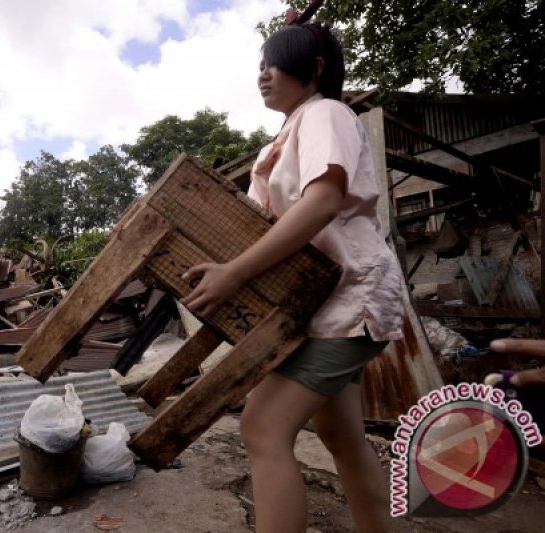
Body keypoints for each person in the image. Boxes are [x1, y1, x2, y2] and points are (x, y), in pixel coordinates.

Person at [180, 20, 404, 533]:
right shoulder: (286, 133)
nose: (263, 75)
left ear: (315, 69)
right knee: (343, 437)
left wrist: (236, 273)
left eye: (275, 63)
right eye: (259, 65)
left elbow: (322, 201)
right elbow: (258, 223)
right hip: (325, 303)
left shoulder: (326, 112)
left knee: (261, 427)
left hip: (352, 298)